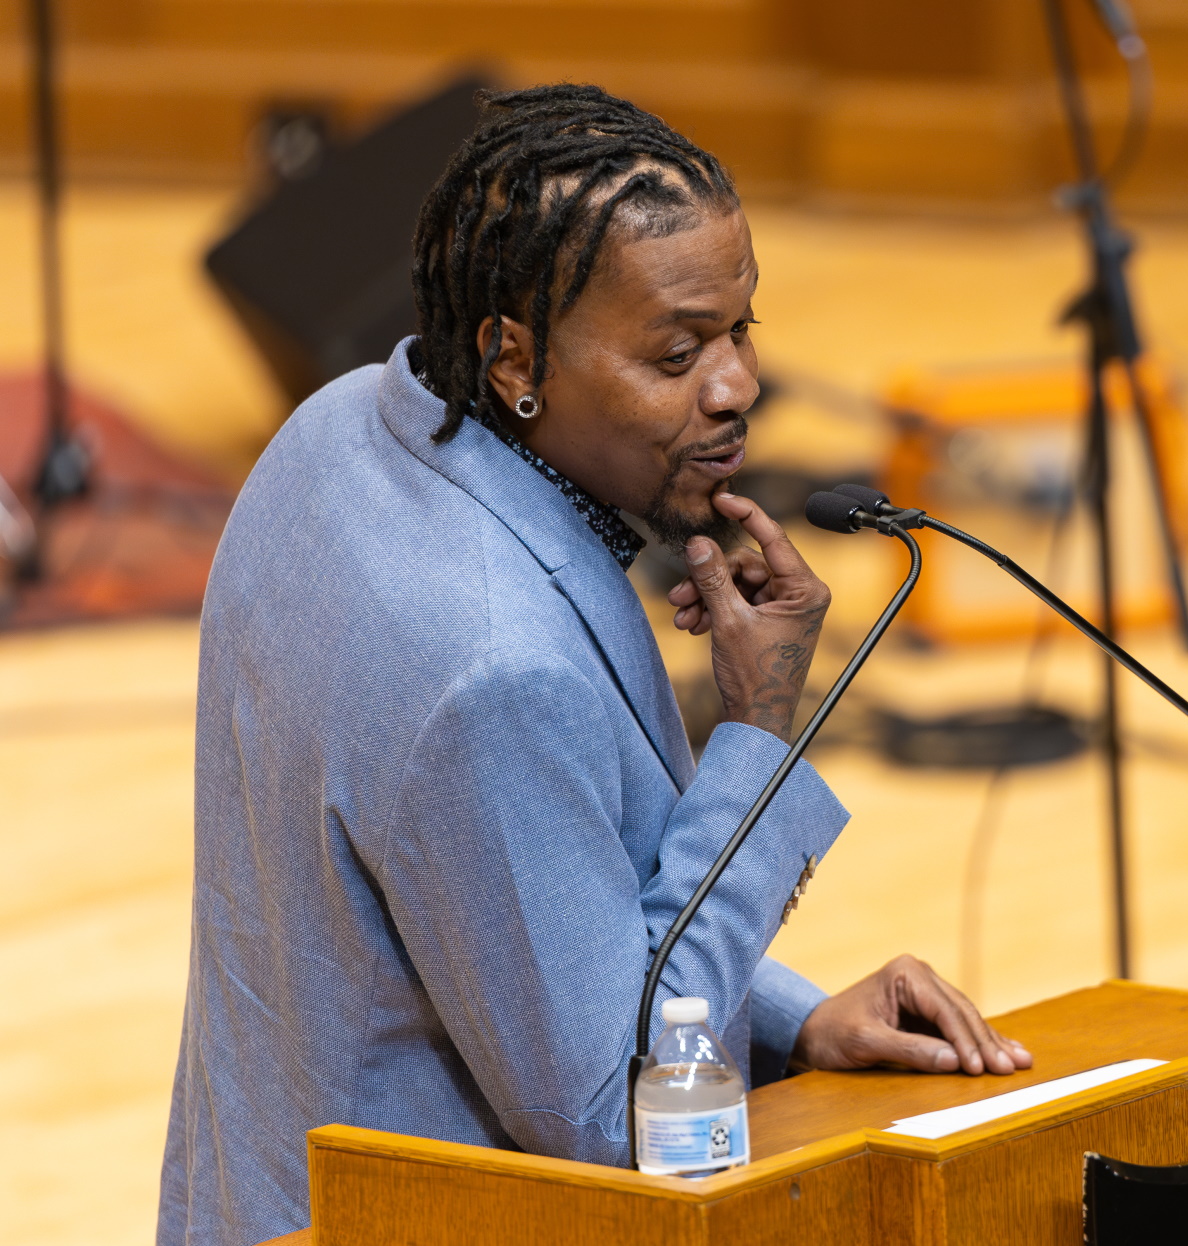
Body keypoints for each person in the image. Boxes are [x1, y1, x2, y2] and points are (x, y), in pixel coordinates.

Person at [158, 84, 1030, 1246]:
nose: (735, 387)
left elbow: (530, 916)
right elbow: (616, 1109)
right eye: (676, 352)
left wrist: (797, 1021)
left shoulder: (337, 428)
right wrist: (759, 732)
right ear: (515, 355)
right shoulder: (491, 671)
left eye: (741, 328)